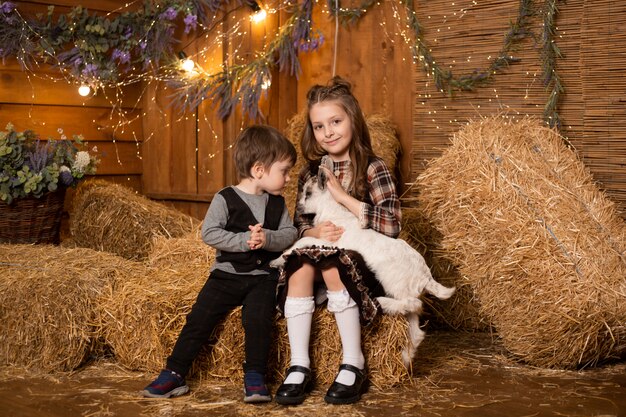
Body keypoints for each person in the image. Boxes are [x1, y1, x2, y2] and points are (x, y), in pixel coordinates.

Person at [142, 125, 298, 403]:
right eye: (284, 171)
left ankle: (254, 376)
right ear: (260, 170)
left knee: (258, 321)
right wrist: (243, 241)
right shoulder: (225, 197)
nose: (287, 178)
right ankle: (175, 372)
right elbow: (209, 233)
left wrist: (267, 239)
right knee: (199, 319)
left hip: (262, 276)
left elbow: (290, 234)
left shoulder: (278, 203)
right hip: (225, 275)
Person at [274, 76, 402, 405]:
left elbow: (392, 225)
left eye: (335, 121)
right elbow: (299, 222)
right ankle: (299, 364)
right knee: (300, 264)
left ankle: (352, 363)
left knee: (332, 265)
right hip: (321, 252)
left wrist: (344, 197)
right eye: (319, 126)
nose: (328, 132)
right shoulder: (309, 173)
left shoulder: (374, 168)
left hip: (365, 259)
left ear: (353, 121)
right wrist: (314, 232)